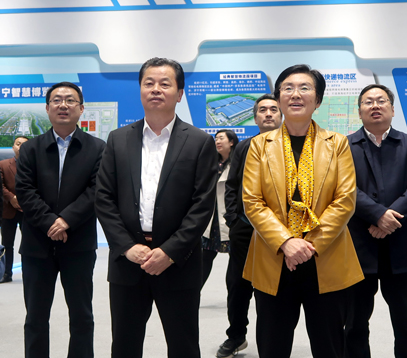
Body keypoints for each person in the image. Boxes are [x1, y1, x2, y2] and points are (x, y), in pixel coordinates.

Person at [95, 57, 219, 358]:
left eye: (165, 83)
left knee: (183, 345)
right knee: (124, 346)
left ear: (179, 94)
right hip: (128, 262)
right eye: (148, 83)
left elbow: (202, 205)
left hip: (178, 262)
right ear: (140, 90)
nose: (155, 89)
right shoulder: (118, 139)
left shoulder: (199, 142)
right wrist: (126, 247)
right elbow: (104, 198)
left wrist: (169, 252)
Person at [242, 64, 364, 358]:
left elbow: (345, 200)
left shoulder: (337, 144)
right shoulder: (259, 145)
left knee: (329, 346)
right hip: (274, 256)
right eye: (288, 88)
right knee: (272, 345)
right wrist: (286, 242)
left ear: (317, 100)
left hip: (324, 255)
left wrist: (308, 246)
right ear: (279, 98)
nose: (295, 94)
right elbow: (252, 201)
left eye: (305, 88)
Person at [16, 82, 106, 358]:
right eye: (56, 100)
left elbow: (97, 190)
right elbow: (25, 191)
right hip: (37, 245)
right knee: (35, 317)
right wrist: (50, 223)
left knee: (81, 316)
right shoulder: (31, 149)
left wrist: (66, 220)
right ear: (47, 108)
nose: (63, 105)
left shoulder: (98, 148)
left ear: (81, 108)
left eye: (70, 100)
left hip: (78, 244)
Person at [345, 84, 407, 358]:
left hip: (402, 243)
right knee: (354, 322)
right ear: (359, 111)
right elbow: (344, 188)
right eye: (368, 102)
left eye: (381, 101)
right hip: (359, 244)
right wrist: (377, 215)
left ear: (392, 109)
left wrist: (389, 217)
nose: (375, 106)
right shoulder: (344, 146)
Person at [216, 94, 282, 358]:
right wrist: (233, 220)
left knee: (273, 290)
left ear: (281, 115)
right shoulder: (244, 147)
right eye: (262, 110)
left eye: (273, 109)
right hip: (244, 227)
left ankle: (271, 342)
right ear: (255, 118)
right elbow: (232, 185)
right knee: (237, 285)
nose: (268, 114)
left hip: (279, 233)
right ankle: (236, 336)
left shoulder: (290, 145)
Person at [201, 129, 238, 288]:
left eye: (221, 138)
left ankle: (236, 295)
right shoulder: (210, 163)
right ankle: (194, 293)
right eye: (216, 138)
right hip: (211, 218)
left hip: (231, 217)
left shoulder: (238, 162)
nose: (217, 141)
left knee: (236, 260)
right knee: (205, 257)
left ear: (231, 142)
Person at [0, 135, 28, 283]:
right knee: (7, 244)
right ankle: (6, 273)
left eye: (24, 144)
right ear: (13, 147)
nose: (20, 147)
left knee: (29, 244)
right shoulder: (3, 164)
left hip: (28, 211)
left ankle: (29, 273)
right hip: (8, 210)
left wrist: (24, 201)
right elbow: (1, 185)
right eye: (18, 144)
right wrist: (11, 198)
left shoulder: (35, 165)